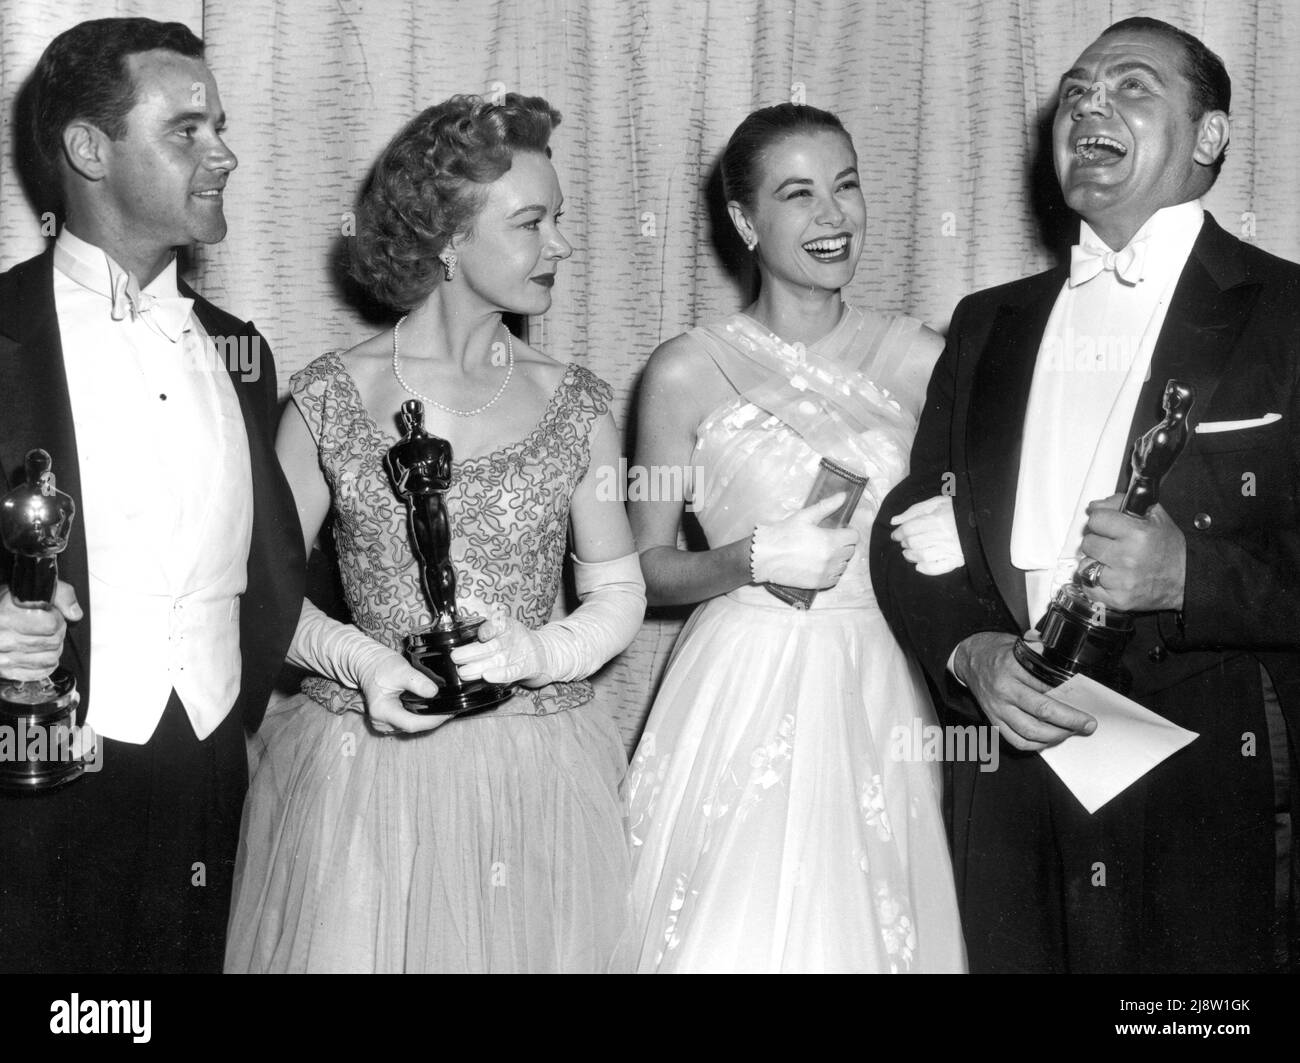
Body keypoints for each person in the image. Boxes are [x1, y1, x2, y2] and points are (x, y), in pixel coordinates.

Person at [873, 17, 1300, 973]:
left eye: (1133, 86)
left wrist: (1195, 575)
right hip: (1010, 764)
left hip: (1209, 771)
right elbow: (907, 525)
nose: (1090, 105)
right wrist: (969, 650)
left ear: (1211, 139)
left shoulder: (1290, 315)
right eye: (1075, 90)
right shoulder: (987, 323)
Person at [225, 94, 645, 973]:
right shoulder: (331, 397)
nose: (561, 245)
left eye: (558, 219)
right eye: (532, 223)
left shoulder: (577, 401)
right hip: (360, 775)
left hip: (538, 773)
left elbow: (618, 592)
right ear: (448, 240)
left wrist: (542, 650)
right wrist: (365, 661)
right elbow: (262, 596)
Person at [624, 103, 967, 972]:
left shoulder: (925, 357)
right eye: (799, 194)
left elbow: (980, 524)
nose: (833, 216)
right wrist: (744, 559)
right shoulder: (683, 370)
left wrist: (963, 531)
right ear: (745, 221)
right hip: (739, 676)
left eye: (846, 186)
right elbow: (642, 569)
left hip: (878, 676)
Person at [0, 18, 303, 973]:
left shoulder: (240, 349)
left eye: (220, 124)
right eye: (187, 130)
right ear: (89, 149)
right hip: (33, 790)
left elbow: (270, 571)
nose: (226, 152)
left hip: (211, 775)